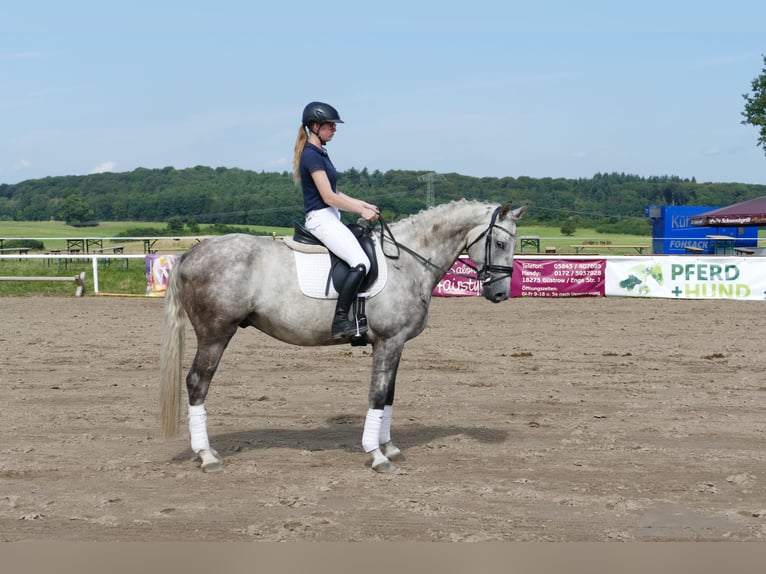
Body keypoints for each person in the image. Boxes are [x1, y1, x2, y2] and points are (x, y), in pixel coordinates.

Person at [293, 101, 380, 339]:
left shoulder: (321, 153)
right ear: (315, 126)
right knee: (361, 263)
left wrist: (362, 204)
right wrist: (360, 212)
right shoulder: (311, 155)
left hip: (330, 216)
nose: (334, 129)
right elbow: (328, 196)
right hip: (321, 219)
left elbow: (336, 192)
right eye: (330, 125)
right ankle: (341, 321)